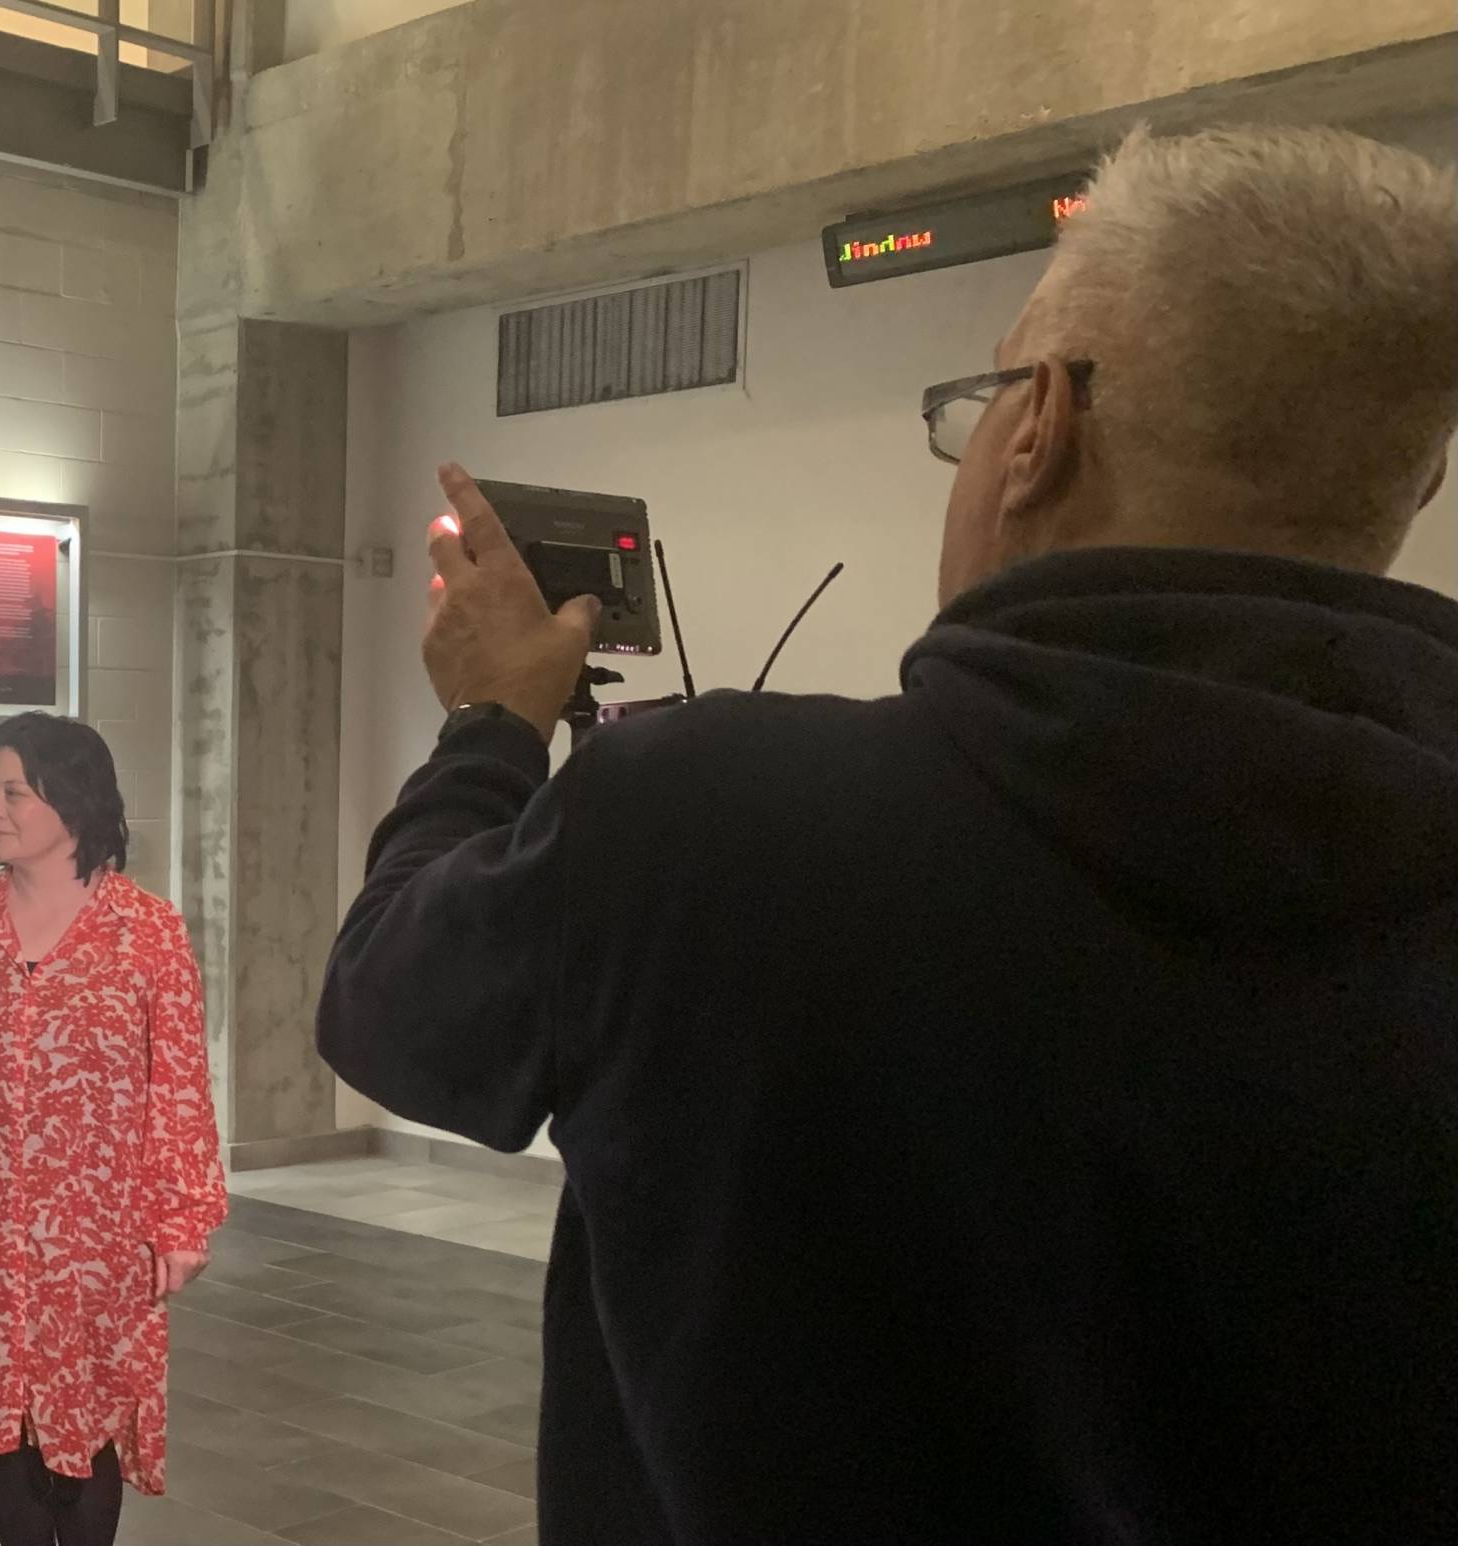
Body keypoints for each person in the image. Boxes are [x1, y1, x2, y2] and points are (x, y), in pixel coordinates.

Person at [316, 124, 1458, 1546]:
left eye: (977, 396)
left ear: (1038, 424)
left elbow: (387, 1002)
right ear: (1410, 487)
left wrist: (492, 728)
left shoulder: (710, 822)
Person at [0, 712, 224, 1546]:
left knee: (85, 1425)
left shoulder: (146, 930)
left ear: (74, 801)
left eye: (13, 791)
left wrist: (184, 1219)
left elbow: (180, 1089)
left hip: (99, 1234)